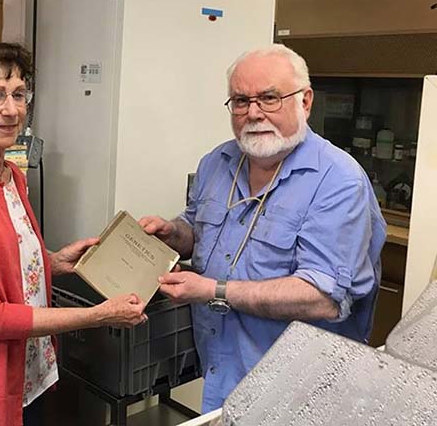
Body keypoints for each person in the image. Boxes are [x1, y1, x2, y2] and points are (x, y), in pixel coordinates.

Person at [0, 42, 148, 426]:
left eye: (19, 94)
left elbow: (0, 265)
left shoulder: (11, 175)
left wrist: (53, 262)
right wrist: (97, 316)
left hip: (25, 382)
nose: (12, 110)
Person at [139, 44, 385, 412]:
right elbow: (198, 229)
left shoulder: (338, 180)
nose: (253, 113)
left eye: (269, 98)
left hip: (300, 391)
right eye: (240, 100)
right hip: (222, 369)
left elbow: (322, 297)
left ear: (305, 101)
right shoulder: (217, 162)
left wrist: (212, 290)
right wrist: (174, 234)